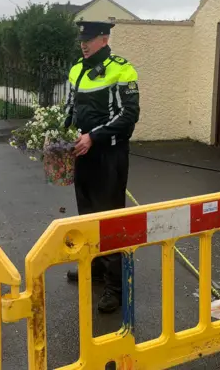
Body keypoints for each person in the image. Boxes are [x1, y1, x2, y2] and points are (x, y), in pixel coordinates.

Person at [64, 20, 140, 313]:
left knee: (109, 221)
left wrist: (93, 137)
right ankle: (94, 268)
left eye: (91, 39)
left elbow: (129, 115)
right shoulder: (76, 69)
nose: (84, 44)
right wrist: (59, 132)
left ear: (105, 38)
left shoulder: (123, 69)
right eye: (82, 39)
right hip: (83, 154)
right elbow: (70, 106)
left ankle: (116, 287)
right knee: (87, 216)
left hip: (109, 155)